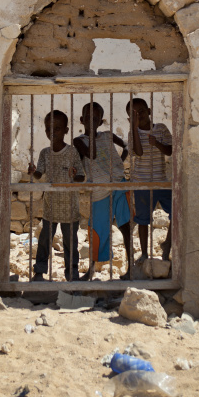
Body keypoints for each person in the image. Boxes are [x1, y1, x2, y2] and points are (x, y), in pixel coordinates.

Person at [74, 102, 131, 280]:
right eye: (89, 117)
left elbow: (126, 146)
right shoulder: (79, 141)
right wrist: (91, 133)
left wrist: (119, 163)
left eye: (96, 118)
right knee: (97, 228)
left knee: (125, 225)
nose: (92, 120)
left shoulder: (108, 135)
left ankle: (131, 267)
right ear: (82, 120)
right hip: (98, 190)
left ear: (101, 121)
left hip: (119, 184)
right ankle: (91, 269)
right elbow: (91, 154)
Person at [28, 109, 85, 281]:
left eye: (57, 129)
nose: (52, 133)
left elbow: (81, 177)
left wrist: (75, 175)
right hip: (50, 206)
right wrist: (32, 172)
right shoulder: (45, 153)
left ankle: (72, 273)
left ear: (66, 130)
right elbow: (39, 174)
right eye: (48, 129)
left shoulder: (72, 152)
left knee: (70, 243)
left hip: (69, 207)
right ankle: (39, 271)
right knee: (44, 241)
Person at [126, 98, 172, 262]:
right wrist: (135, 129)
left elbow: (170, 150)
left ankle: (167, 246)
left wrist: (157, 143)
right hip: (142, 183)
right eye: (134, 115)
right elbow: (138, 153)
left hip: (161, 181)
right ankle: (145, 253)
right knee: (143, 220)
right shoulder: (133, 134)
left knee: (176, 212)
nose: (139, 116)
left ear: (150, 111)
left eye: (142, 112)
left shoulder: (160, 129)